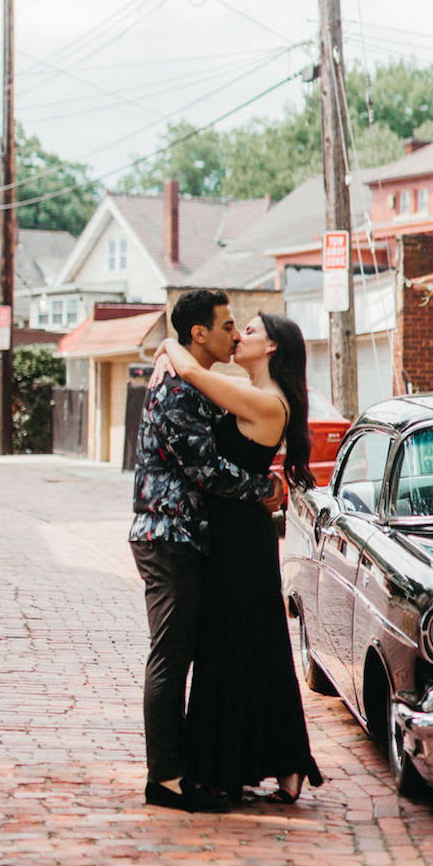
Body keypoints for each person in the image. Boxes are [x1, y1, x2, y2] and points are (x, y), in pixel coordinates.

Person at [154, 310, 323, 804]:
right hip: (231, 532)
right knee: (245, 648)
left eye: (249, 331)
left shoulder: (268, 402)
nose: (239, 337)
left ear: (271, 347)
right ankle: (279, 763)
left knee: (240, 648)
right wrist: (169, 349)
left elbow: (192, 372)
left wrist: (170, 347)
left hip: (240, 539)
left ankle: (256, 763)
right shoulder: (253, 391)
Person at [129, 288, 286, 814]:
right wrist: (264, 490)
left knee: (186, 655)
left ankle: (189, 766)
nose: (235, 333)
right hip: (167, 538)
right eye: (226, 325)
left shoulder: (193, 384)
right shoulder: (176, 389)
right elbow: (205, 469)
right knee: (171, 657)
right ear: (199, 333)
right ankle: (166, 779)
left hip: (187, 536)